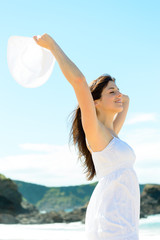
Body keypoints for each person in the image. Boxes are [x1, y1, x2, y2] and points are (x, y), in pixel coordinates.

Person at [33, 34, 140, 240]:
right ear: (96, 103)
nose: (119, 94)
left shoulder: (112, 134)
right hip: (113, 224)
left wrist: (115, 92)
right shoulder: (95, 131)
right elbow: (79, 82)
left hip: (126, 221)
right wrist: (52, 46)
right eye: (112, 92)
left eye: (118, 90)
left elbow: (127, 101)